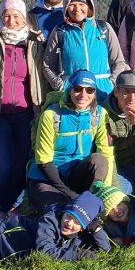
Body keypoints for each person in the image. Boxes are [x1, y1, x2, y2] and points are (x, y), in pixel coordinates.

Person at [0, 0, 49, 219]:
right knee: (3, 165)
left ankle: (15, 205)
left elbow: (43, 75)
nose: (11, 20)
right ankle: (2, 209)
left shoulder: (34, 42)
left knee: (23, 161)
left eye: (16, 16)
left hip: (27, 112)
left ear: (24, 18)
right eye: (6, 15)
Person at [26, 70, 113, 212]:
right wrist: (70, 194)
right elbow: (44, 160)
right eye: (78, 89)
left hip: (76, 174)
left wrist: (105, 190)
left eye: (89, 90)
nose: (83, 95)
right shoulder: (51, 115)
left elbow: (106, 153)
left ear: (95, 93)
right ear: (69, 89)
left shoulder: (100, 114)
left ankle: (91, 202)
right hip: (48, 177)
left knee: (100, 159)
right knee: (60, 211)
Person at [43, 0, 128, 102]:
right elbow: (48, 65)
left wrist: (111, 84)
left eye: (82, 4)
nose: (77, 8)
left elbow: (118, 61)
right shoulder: (60, 31)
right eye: (72, 4)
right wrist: (61, 86)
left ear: (89, 7)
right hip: (74, 94)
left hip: (103, 93)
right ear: (66, 8)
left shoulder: (103, 29)